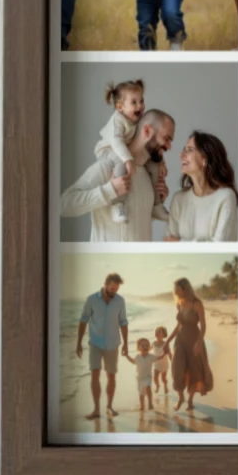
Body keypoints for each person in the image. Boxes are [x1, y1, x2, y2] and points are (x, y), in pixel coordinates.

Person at [60, 109, 174, 242]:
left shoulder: (147, 178)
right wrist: (110, 190)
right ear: (147, 131)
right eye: (166, 138)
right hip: (104, 263)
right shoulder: (107, 168)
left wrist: (157, 203)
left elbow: (134, 224)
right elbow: (64, 205)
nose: (169, 147)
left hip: (140, 262)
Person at [94, 77, 156, 225]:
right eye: (134, 102)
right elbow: (117, 142)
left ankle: (157, 204)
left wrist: (160, 161)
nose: (139, 106)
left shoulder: (136, 119)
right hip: (108, 150)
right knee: (121, 164)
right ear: (120, 107)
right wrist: (128, 159)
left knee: (153, 164)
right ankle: (118, 204)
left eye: (141, 101)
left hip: (123, 149)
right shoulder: (118, 121)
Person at [164, 131, 238, 242]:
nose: (181, 154)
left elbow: (220, 247)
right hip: (179, 260)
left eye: (189, 150)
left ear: (205, 159)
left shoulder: (226, 197)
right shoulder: (179, 199)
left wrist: (180, 242)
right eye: (184, 149)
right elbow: (168, 243)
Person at [75, 272, 129, 420]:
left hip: (113, 344)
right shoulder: (91, 300)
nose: (114, 292)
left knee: (111, 376)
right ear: (105, 285)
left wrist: (125, 344)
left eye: (116, 289)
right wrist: (78, 342)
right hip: (95, 344)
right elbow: (83, 321)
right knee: (95, 374)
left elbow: (123, 322)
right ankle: (96, 410)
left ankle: (109, 406)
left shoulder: (120, 301)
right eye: (112, 288)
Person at [163, 277, 213, 412]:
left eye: (177, 289)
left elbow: (203, 326)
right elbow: (179, 325)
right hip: (180, 341)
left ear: (184, 288)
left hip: (194, 341)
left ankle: (190, 401)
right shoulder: (179, 303)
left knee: (194, 371)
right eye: (174, 289)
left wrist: (199, 342)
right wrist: (167, 341)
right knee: (177, 370)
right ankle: (181, 398)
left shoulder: (197, 304)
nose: (175, 291)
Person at [123, 337, 159, 413]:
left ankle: (150, 403)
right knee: (141, 393)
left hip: (148, 376)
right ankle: (142, 406)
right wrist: (126, 356)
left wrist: (165, 353)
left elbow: (158, 358)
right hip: (139, 378)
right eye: (143, 346)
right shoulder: (137, 357)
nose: (145, 347)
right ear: (138, 348)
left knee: (148, 388)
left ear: (149, 347)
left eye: (147, 345)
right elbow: (132, 361)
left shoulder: (151, 356)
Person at [151, 326, 171, 394]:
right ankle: (157, 385)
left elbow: (169, 353)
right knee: (155, 378)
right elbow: (147, 350)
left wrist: (173, 361)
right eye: (156, 331)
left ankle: (165, 386)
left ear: (163, 334)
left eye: (159, 331)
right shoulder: (153, 343)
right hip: (156, 363)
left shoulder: (165, 344)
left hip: (164, 364)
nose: (157, 333)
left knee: (163, 378)